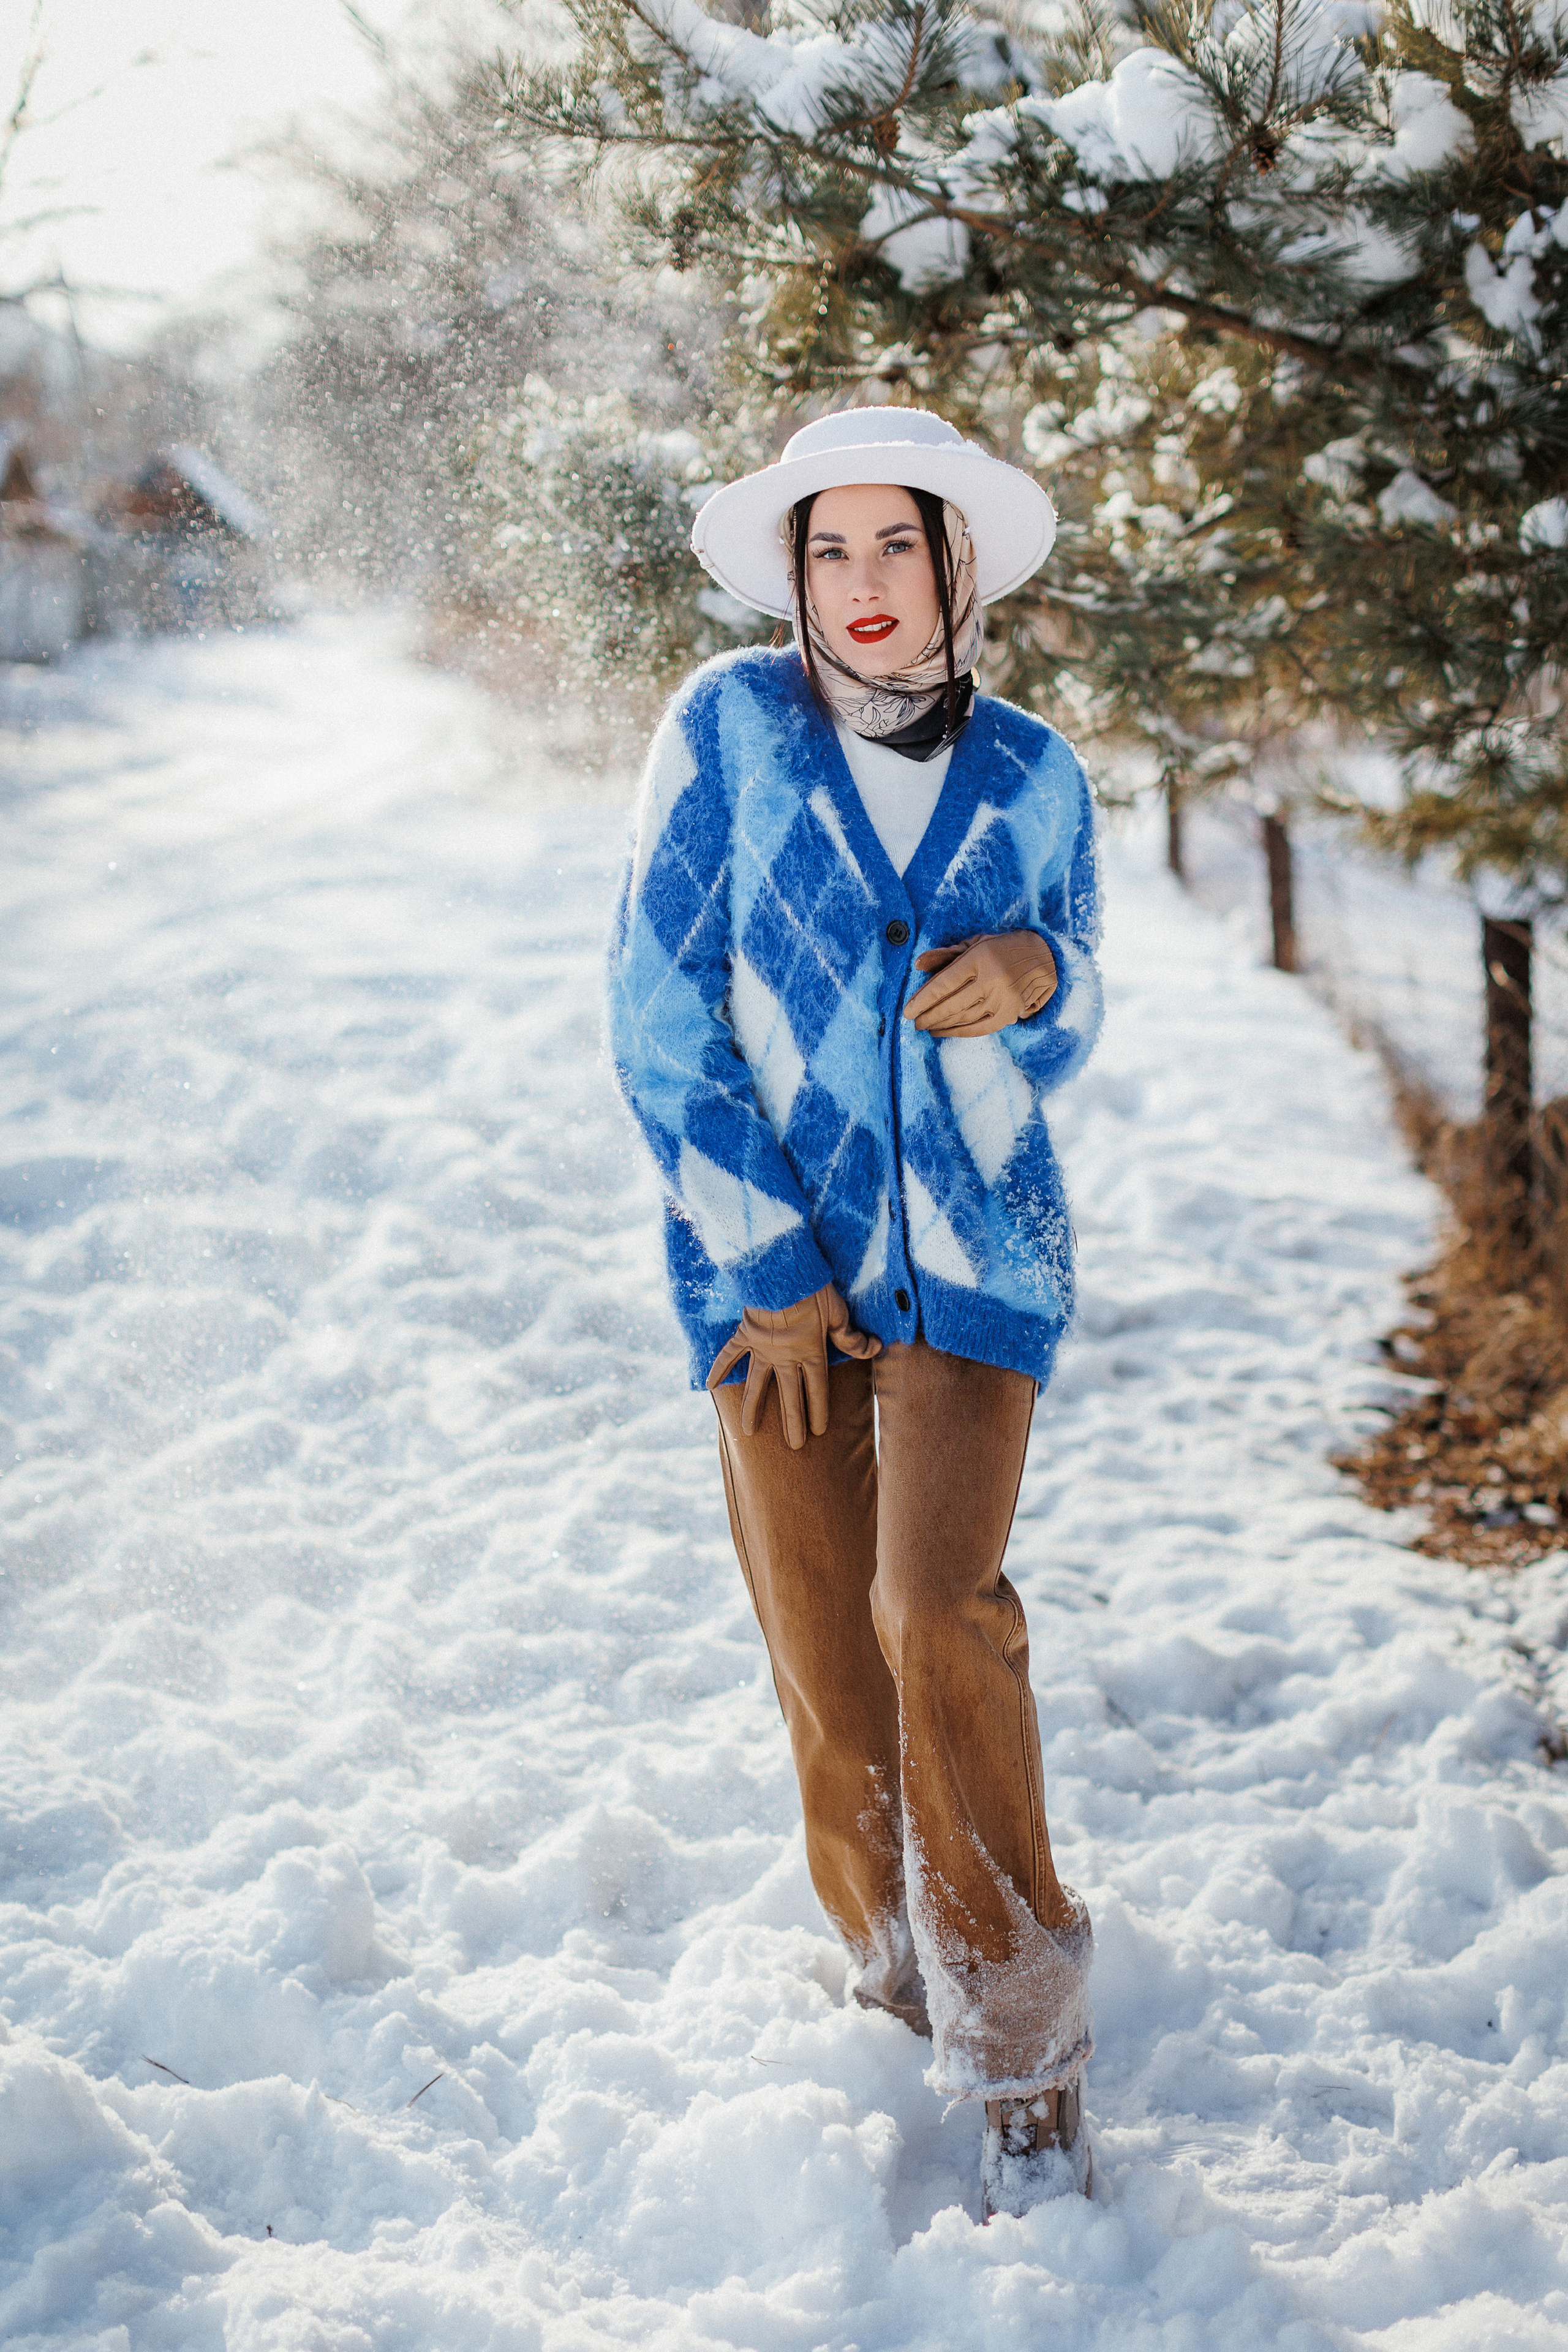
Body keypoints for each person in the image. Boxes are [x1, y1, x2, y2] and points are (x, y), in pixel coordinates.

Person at [607, 407, 1102, 2218]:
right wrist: (771, 1266)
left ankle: (1024, 2049)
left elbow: (1075, 1008)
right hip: (770, 1284)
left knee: (936, 1609)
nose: (865, 582)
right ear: (794, 574)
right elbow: (658, 1009)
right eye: (831, 548)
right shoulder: (728, 731)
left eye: (901, 544)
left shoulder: (1035, 773)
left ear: (958, 566)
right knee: (828, 1651)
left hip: (978, 1256)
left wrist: (1040, 970)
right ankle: (901, 1968)